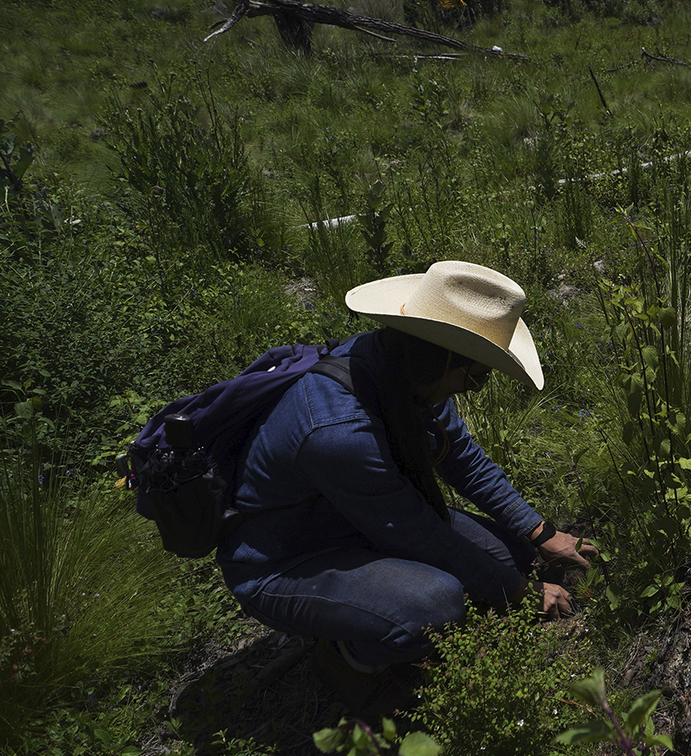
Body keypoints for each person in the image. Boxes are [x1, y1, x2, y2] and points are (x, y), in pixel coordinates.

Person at [219, 261, 597, 715]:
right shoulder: (337, 431)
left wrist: (540, 533)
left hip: (355, 519)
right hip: (285, 560)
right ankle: (345, 659)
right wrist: (517, 591)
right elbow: (418, 533)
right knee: (435, 603)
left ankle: (382, 610)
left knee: (509, 556)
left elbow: (464, 460)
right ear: (443, 358)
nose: (476, 389)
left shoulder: (402, 371)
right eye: (476, 377)